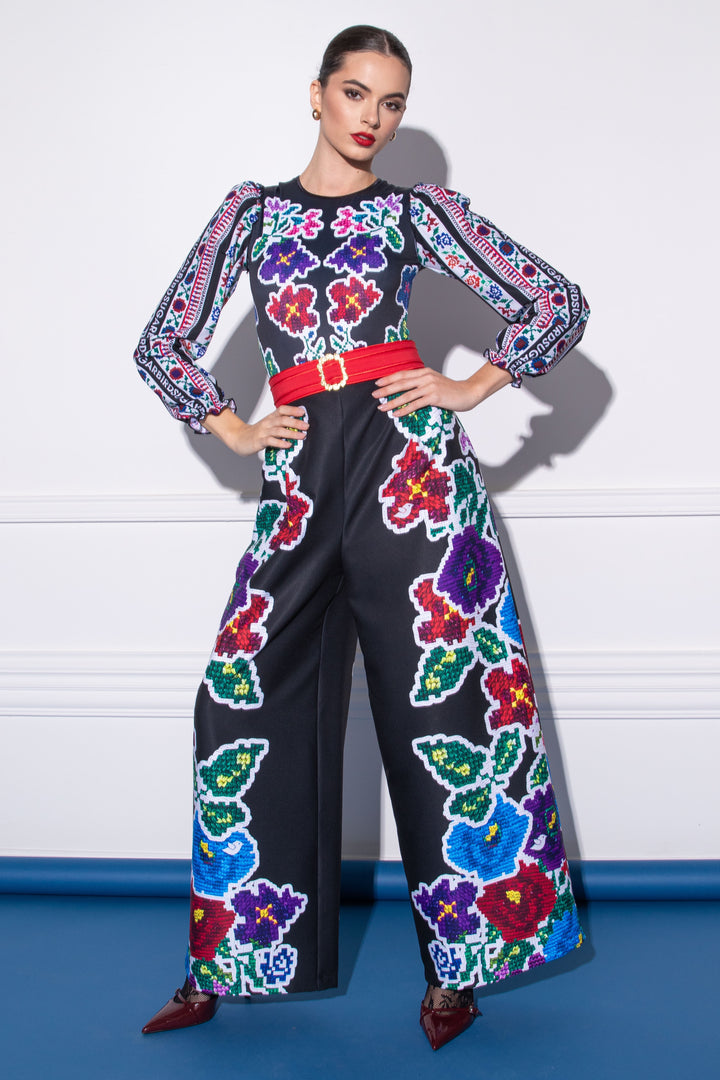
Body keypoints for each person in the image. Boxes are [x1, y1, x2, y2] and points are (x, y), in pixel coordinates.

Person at [134, 24, 590, 1051]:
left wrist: (472, 385)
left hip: (411, 474)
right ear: (316, 95)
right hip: (300, 481)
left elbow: (555, 304)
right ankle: (227, 961)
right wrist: (234, 428)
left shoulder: (418, 213)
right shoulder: (249, 214)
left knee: (443, 706)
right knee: (239, 696)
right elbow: (164, 342)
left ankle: (457, 972)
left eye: (391, 103)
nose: (371, 118)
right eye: (354, 93)